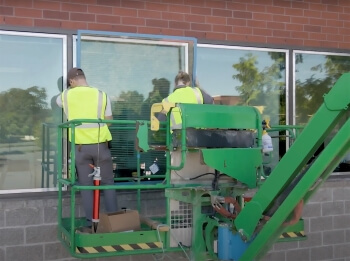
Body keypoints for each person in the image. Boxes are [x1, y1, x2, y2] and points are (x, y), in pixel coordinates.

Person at [56, 67, 118, 229]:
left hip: (80, 148)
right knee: (108, 183)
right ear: (84, 78)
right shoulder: (101, 95)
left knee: (85, 185)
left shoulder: (65, 95)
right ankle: (114, 222)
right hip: (101, 147)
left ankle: (91, 224)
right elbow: (109, 120)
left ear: (71, 82)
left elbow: (57, 102)